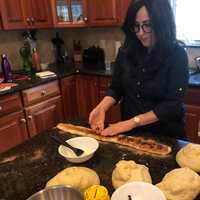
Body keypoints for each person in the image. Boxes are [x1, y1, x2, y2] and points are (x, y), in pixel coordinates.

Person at [89, 0, 189, 140]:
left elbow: (172, 105)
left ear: (162, 23)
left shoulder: (177, 55)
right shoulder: (125, 52)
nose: (140, 33)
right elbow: (116, 88)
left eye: (147, 25)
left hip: (166, 135)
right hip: (131, 134)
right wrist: (102, 107)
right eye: (136, 26)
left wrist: (132, 123)